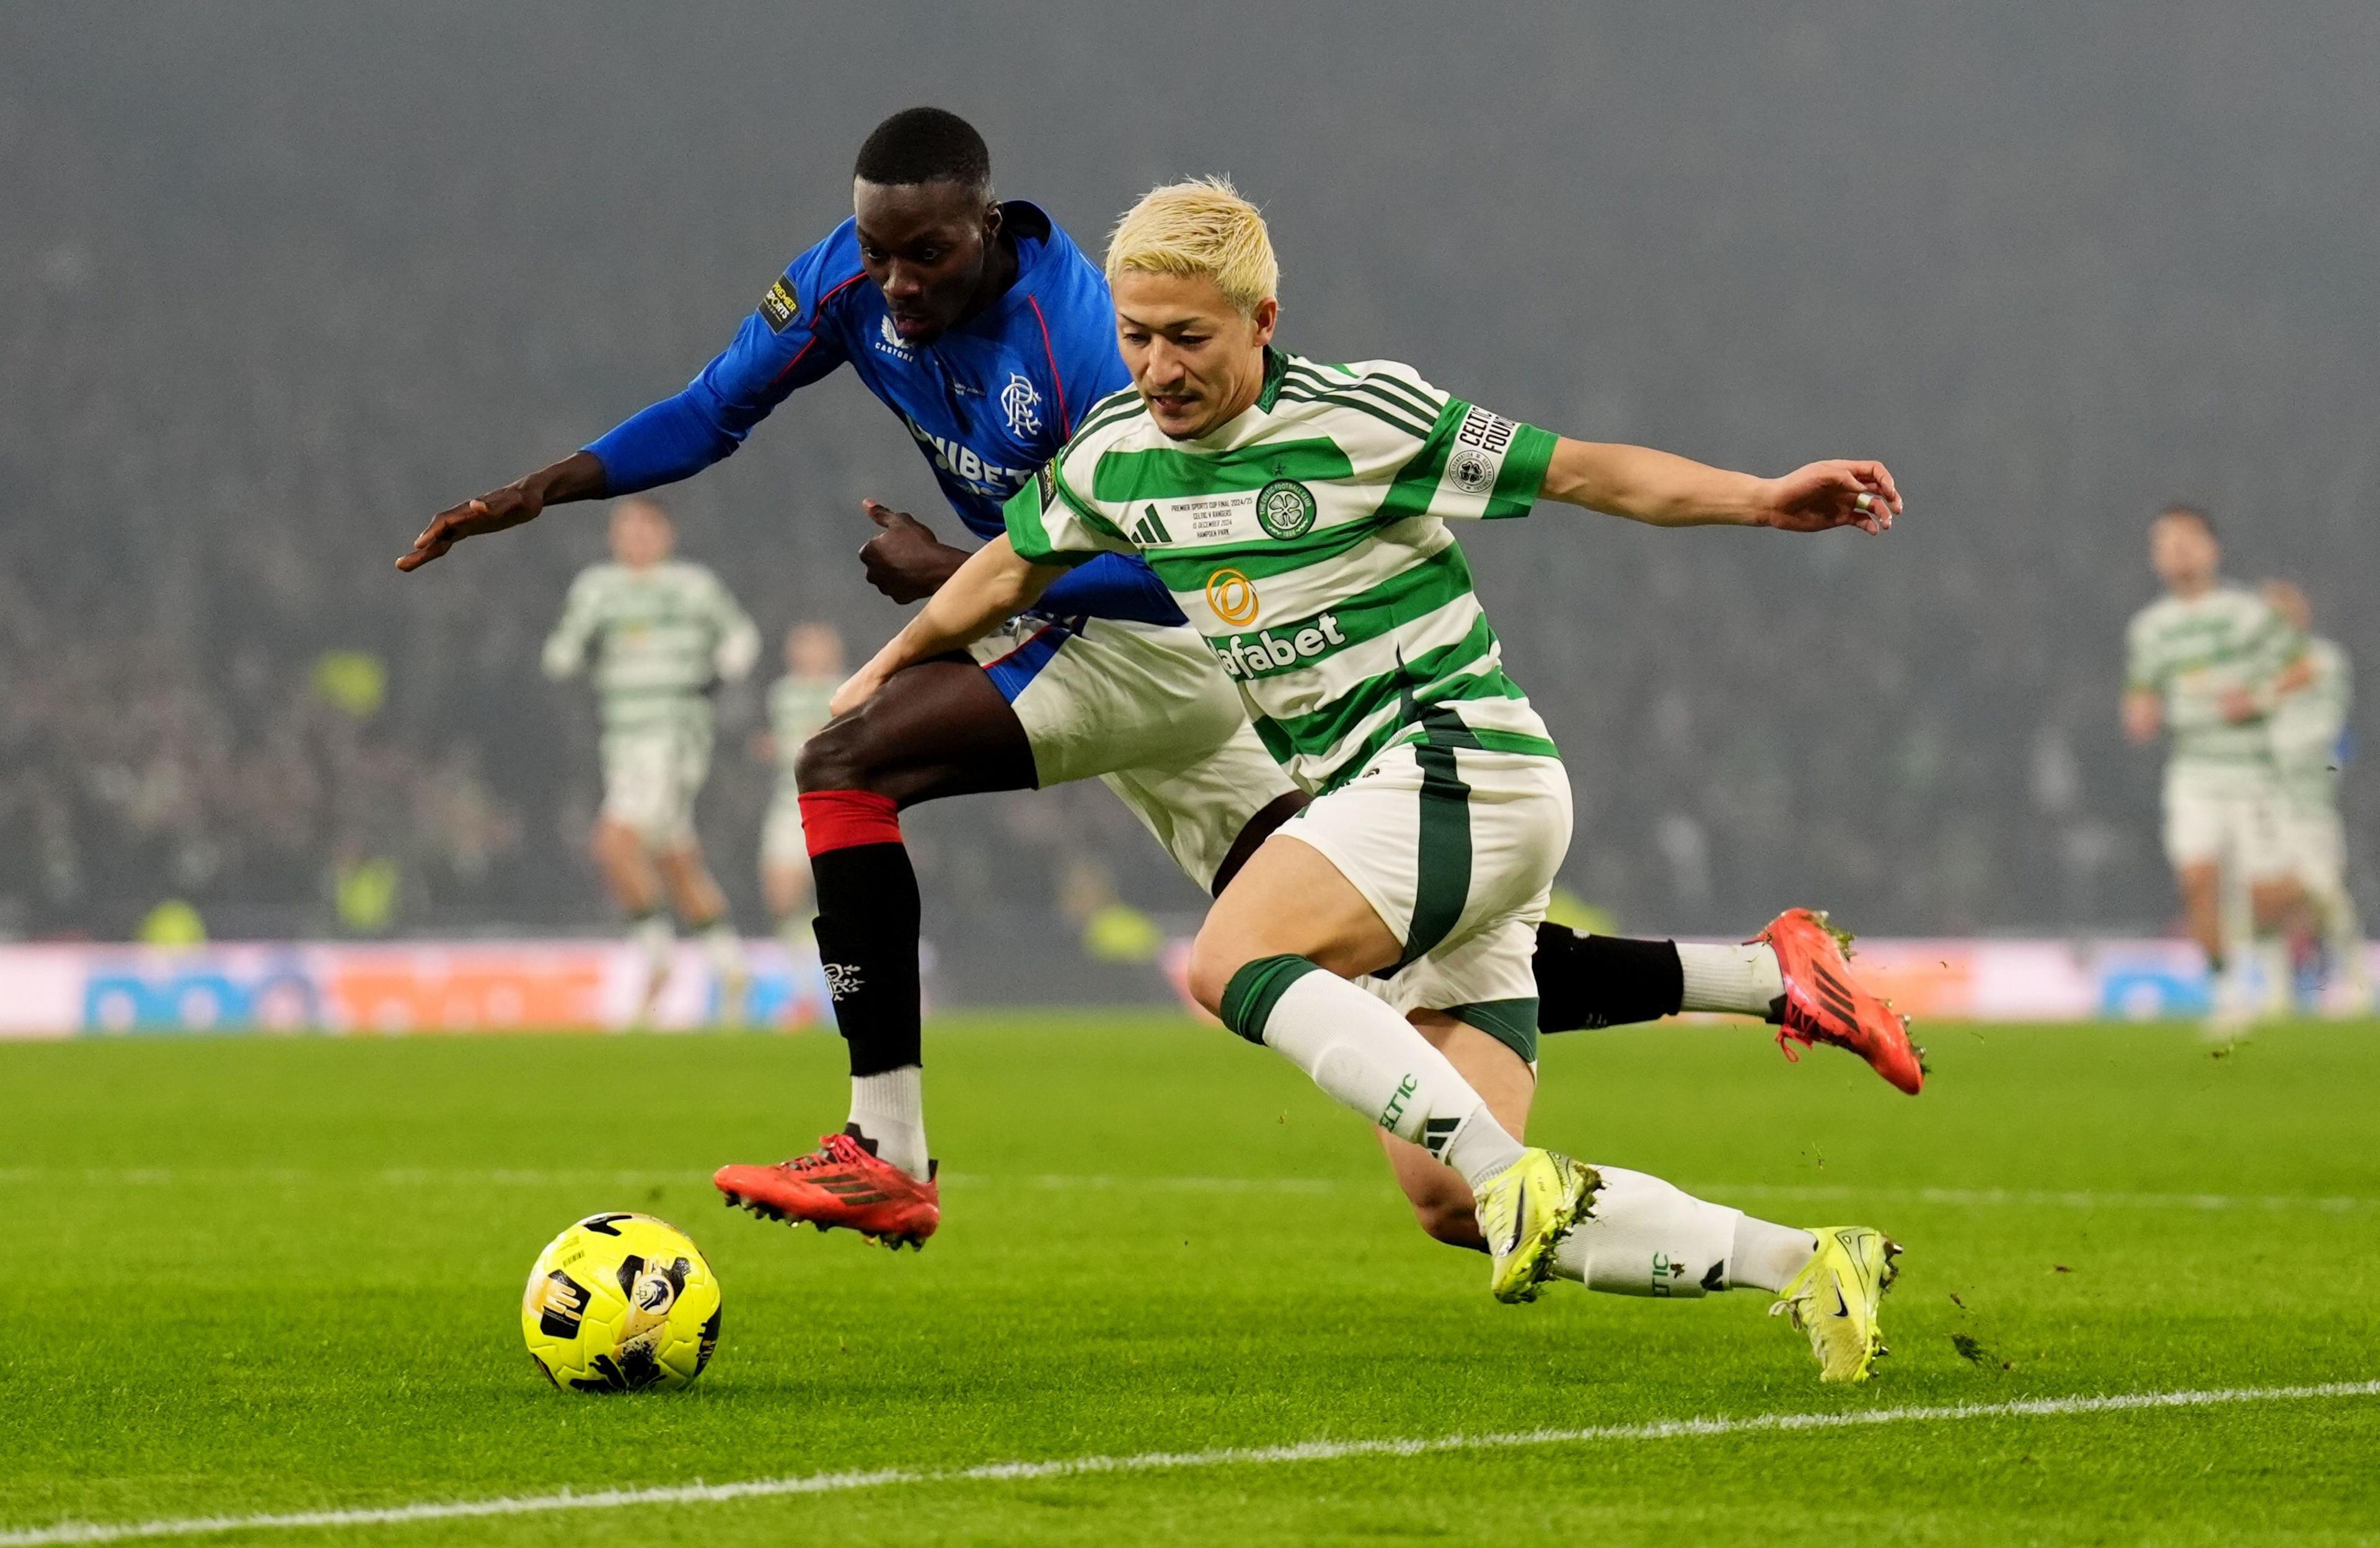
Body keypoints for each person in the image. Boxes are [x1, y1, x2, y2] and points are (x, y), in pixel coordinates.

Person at [399, 107, 1919, 1251]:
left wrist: (956, 580)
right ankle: (1760, 971)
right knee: (1378, 978)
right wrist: (542, 489)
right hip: (1143, 650)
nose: (890, 284)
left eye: (921, 254)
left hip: (1171, 645)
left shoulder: (1092, 352)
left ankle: (888, 1146)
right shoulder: (864, 286)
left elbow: (1163, 544)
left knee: (845, 767)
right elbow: (712, 409)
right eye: (871, 250)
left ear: (988, 227)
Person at [826, 177, 1906, 1381]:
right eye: (1136, 336)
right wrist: (887, 663)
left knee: (1232, 960)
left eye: (1190, 337)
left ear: (1262, 320)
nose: (1160, 367)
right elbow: (1004, 571)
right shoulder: (1115, 457)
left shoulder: (1365, 414)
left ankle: (1529, 1166)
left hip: (1457, 766)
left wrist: (1762, 499)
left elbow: (1585, 472)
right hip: (1385, 810)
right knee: (1448, 1196)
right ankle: (1812, 1259)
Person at [541, 497, 759, 1021]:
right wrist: (580, 652)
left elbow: (741, 638)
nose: (635, 538)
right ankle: (731, 969)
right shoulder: (597, 589)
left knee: (613, 842)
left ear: (667, 533)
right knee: (676, 860)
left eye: (645, 528)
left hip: (672, 736)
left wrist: (713, 681)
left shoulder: (692, 585)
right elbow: (559, 656)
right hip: (622, 739)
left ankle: (658, 961)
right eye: (625, 530)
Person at [2122, 507, 2308, 1026]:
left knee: (2269, 894)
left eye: (2187, 539)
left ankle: (2271, 961)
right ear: (2155, 557)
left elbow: (2302, 668)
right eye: (2165, 542)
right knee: (2197, 880)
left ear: (2211, 548)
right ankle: (2228, 993)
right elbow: (2140, 695)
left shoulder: (2246, 613)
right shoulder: (2152, 629)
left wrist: (2256, 697)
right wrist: (2140, 715)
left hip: (2256, 771)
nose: (2177, 550)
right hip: (2194, 772)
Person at [2259, 581, 2369, 1014]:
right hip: (2267, 800)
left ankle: (2356, 981)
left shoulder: (2324, 659)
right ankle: (2277, 993)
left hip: (2310, 799)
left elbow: (2305, 695)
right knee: (2271, 899)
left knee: (2324, 892)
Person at [753, 622, 844, 954]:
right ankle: (800, 955)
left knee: (837, 887)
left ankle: (833, 952)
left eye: (814, 646)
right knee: (778, 891)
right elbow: (792, 745)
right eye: (801, 646)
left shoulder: (845, 689)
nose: (807, 654)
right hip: (789, 800)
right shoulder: (782, 693)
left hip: (836, 802)